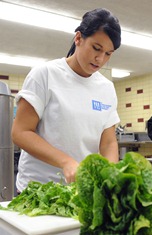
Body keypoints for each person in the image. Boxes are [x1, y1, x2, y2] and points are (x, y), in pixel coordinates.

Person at [11, 8, 121, 192]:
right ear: (78, 38)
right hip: (39, 190)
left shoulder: (106, 88)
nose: (100, 59)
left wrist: (111, 173)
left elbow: (108, 142)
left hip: (82, 191)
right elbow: (21, 132)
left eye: (108, 54)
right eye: (96, 48)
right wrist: (66, 162)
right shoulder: (45, 74)